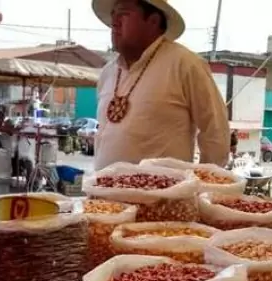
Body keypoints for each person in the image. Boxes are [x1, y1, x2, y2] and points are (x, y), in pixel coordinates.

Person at [91, 0, 230, 170]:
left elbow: (216, 132)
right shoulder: (108, 73)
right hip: (102, 193)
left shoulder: (185, 64)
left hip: (163, 196)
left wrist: (203, 186)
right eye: (113, 15)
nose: (114, 22)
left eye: (123, 14)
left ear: (153, 21)